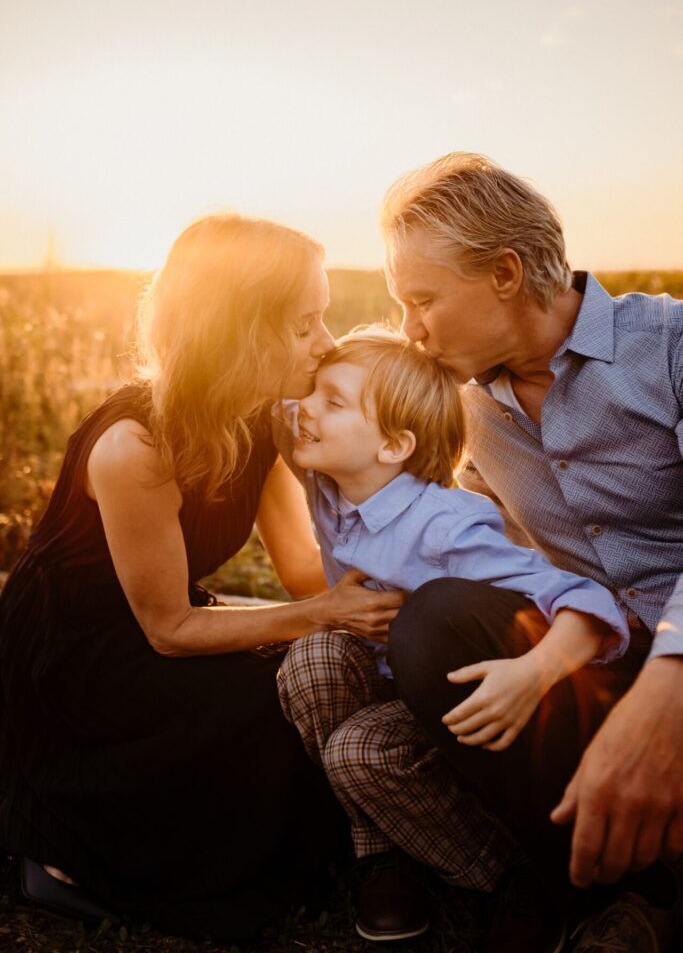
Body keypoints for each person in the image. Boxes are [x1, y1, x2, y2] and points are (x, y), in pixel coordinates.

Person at [0, 214, 404, 940]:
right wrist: (324, 616)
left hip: (160, 618)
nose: (327, 341)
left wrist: (406, 565)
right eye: (304, 323)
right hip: (77, 657)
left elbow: (299, 568)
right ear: (238, 329)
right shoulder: (134, 447)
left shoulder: (261, 418)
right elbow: (169, 630)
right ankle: (63, 859)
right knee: (266, 706)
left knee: (308, 677)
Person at [378, 152, 683, 952]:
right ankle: (610, 887)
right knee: (436, 621)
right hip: (594, 655)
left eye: (422, 301)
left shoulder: (671, 347)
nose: (410, 329)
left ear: (506, 273)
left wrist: (665, 692)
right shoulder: (470, 402)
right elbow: (476, 519)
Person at [275, 326, 631, 946]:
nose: (305, 407)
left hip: (452, 706)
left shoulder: (447, 526)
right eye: (313, 392)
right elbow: (250, 387)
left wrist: (532, 671)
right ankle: (381, 856)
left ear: (393, 445)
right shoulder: (330, 473)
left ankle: (512, 873)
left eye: (332, 401)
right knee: (314, 655)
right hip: (375, 676)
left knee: (357, 750)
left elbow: (588, 602)